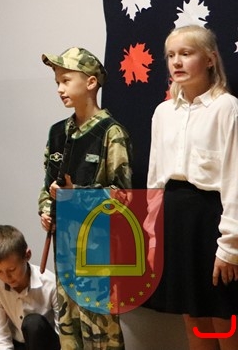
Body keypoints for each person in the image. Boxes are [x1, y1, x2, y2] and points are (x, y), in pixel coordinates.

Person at [144, 25, 238, 350]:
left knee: (224, 317)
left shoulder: (226, 108)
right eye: (171, 55)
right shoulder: (163, 112)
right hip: (176, 221)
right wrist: (152, 235)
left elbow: (234, 179)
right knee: (192, 316)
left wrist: (230, 246)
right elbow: (155, 177)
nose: (176, 62)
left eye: (186, 53)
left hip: (212, 222)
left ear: (210, 59)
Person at [38, 47, 132, 350]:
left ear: (91, 82)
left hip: (98, 252)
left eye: (66, 80)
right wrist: (47, 210)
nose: (60, 89)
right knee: (69, 330)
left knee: (101, 334)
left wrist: (74, 195)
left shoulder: (111, 132)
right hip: (64, 249)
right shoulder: (58, 132)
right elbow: (47, 185)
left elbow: (123, 197)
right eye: (57, 82)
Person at [0, 224, 60, 350]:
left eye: (12, 269)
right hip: (19, 343)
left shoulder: (50, 283)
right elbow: (0, 336)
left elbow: (63, 334)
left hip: (48, 345)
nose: (7, 277)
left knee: (33, 323)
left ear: (27, 255)